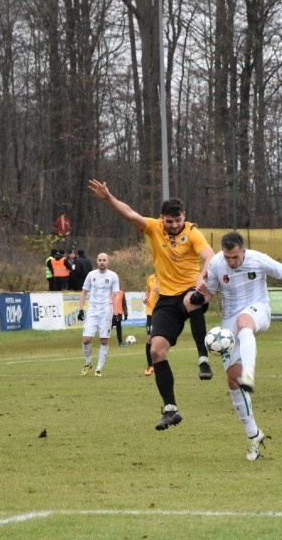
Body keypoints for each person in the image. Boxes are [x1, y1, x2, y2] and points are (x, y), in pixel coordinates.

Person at [89, 179, 215, 430]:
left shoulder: (192, 232)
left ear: (184, 216)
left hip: (190, 290)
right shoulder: (154, 228)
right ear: (162, 219)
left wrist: (201, 279)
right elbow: (130, 214)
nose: (174, 225)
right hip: (166, 300)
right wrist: (108, 198)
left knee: (194, 301)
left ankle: (203, 357)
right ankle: (170, 409)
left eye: (177, 220)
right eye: (169, 221)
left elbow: (210, 257)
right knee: (156, 350)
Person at [198, 231, 282, 460]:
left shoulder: (258, 259)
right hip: (229, 321)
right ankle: (253, 434)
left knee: (244, 322)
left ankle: (250, 374)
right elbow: (210, 294)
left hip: (259, 309)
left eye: (235, 257)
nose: (231, 262)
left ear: (243, 250)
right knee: (232, 379)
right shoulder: (217, 263)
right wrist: (200, 299)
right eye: (228, 257)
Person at [77, 252, 120, 377]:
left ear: (108, 261)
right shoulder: (91, 275)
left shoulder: (113, 276)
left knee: (104, 340)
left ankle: (99, 368)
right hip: (92, 311)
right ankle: (88, 362)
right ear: (97, 261)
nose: (102, 262)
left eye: (104, 260)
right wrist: (80, 309)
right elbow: (84, 292)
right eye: (100, 260)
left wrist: (116, 314)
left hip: (106, 311)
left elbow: (116, 295)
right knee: (86, 339)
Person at [142, 273, 159, 376]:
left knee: (158, 340)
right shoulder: (150, 277)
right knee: (149, 339)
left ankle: (158, 364)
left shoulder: (166, 276)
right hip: (150, 313)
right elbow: (148, 290)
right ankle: (150, 366)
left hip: (161, 312)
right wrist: (146, 298)